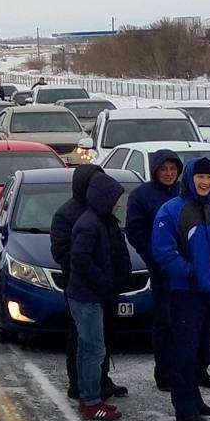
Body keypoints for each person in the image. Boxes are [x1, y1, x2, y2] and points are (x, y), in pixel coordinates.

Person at [151, 158, 210, 421]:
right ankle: (184, 407)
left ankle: (195, 398)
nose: (205, 181)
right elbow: (164, 252)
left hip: (208, 292)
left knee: (201, 349)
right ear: (189, 178)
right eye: (200, 176)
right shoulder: (172, 211)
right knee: (184, 352)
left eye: (209, 177)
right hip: (184, 293)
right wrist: (190, 272)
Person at [51, 163, 125, 400]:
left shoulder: (105, 214)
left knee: (104, 336)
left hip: (105, 286)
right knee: (83, 339)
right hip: (83, 287)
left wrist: (119, 273)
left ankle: (100, 379)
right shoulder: (69, 215)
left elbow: (116, 245)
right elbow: (65, 253)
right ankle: (80, 385)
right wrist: (92, 274)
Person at [67, 172, 131, 421]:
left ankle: (89, 397)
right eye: (116, 198)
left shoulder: (99, 221)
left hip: (90, 295)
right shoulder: (90, 224)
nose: (119, 203)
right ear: (104, 198)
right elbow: (80, 259)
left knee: (88, 348)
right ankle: (92, 401)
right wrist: (104, 282)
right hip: (87, 297)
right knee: (94, 350)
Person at [125, 148, 181, 390]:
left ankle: (195, 371)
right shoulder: (141, 196)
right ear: (155, 170)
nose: (169, 174)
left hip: (187, 268)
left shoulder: (185, 192)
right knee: (165, 323)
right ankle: (165, 373)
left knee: (191, 322)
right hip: (161, 269)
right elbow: (135, 232)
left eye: (173, 169)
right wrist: (153, 258)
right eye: (164, 169)